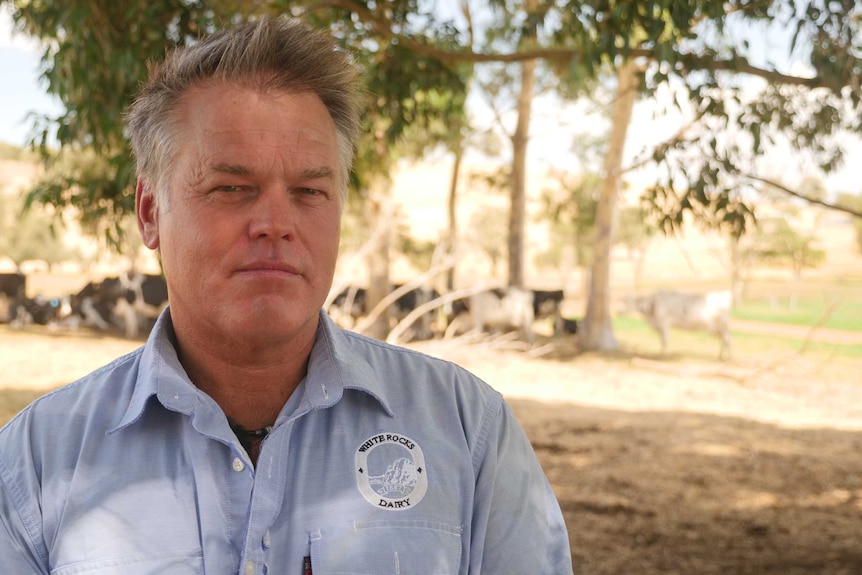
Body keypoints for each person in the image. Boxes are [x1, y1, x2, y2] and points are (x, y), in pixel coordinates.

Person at [0, 17, 573, 574]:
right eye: (231, 188)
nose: (274, 222)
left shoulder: (469, 436)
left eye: (308, 190)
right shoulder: (35, 464)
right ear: (150, 213)